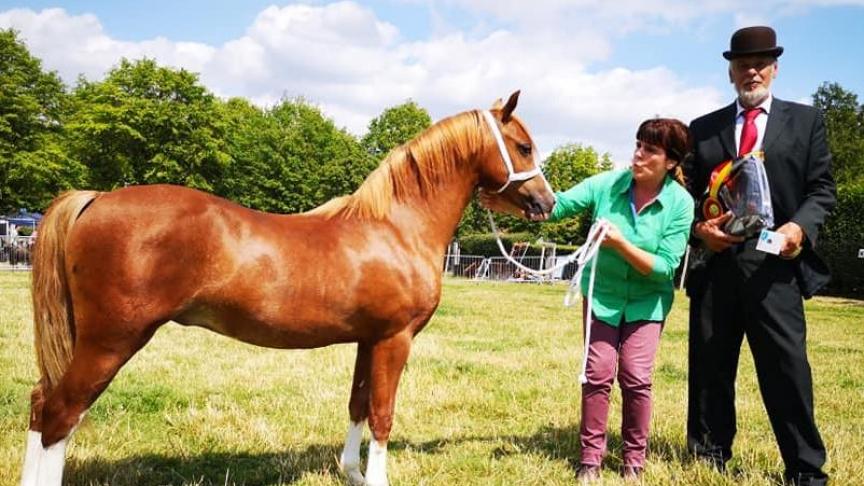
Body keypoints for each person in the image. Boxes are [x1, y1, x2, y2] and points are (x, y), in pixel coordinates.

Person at [484, 118, 694, 481]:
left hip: (647, 303)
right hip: (603, 297)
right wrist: (507, 206)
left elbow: (664, 268)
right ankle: (591, 460)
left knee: (635, 377)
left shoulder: (681, 204)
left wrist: (620, 245)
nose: (639, 154)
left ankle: (633, 461)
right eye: (638, 145)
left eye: (650, 150)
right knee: (596, 375)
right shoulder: (608, 184)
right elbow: (557, 206)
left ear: (671, 162)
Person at [684, 26, 836, 486]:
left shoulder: (807, 121)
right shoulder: (702, 129)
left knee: (787, 370)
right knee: (710, 367)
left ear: (775, 68)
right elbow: (686, 197)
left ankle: (805, 468)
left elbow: (822, 190)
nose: (753, 70)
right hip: (716, 267)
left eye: (762, 62)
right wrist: (699, 230)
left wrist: (798, 229)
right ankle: (708, 456)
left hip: (777, 268)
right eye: (743, 63)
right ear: (730, 70)